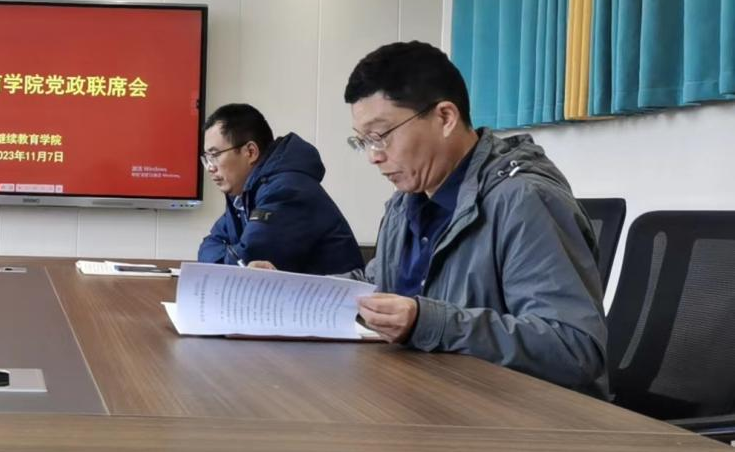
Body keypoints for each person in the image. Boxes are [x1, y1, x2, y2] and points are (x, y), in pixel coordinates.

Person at [254, 41, 607, 395]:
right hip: (426, 396)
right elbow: (377, 284)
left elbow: (574, 349)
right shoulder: (406, 202)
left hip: (512, 415)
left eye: (380, 136)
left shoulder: (523, 200)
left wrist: (429, 322)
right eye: (363, 141)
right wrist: (289, 288)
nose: (373, 156)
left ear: (445, 118)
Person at [198, 103, 364, 275]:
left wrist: (229, 257)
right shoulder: (244, 196)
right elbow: (208, 246)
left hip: (334, 292)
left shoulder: (287, 190)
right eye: (206, 159)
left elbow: (250, 259)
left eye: (215, 155)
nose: (210, 167)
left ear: (250, 152)